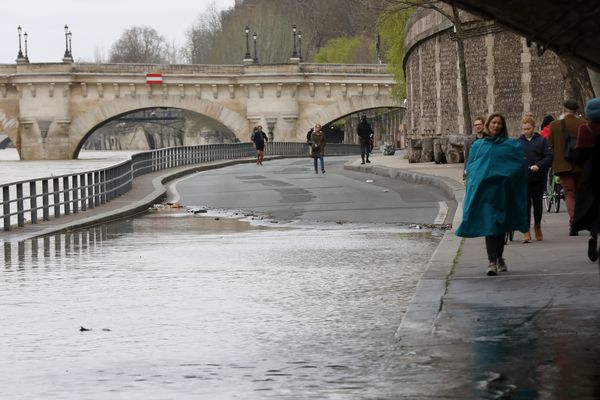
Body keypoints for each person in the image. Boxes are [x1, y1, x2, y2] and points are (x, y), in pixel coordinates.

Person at [456, 113, 528, 276]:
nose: (496, 126)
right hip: (485, 193)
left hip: (503, 192)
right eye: (493, 123)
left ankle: (500, 257)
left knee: (500, 226)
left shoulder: (510, 146)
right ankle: (491, 261)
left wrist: (507, 176)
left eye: (499, 124)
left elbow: (518, 166)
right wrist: (474, 181)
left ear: (503, 127)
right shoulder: (479, 145)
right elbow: (472, 167)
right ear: (488, 124)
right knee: (490, 225)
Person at [547, 99, 586, 235]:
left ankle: (573, 222)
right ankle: (583, 220)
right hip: (581, 165)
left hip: (563, 165)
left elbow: (550, 143)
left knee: (569, 194)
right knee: (581, 193)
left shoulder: (555, 125)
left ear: (564, 109)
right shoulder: (583, 123)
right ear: (576, 111)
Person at [517, 113, 553, 243]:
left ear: (534, 127)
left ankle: (537, 225)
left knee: (537, 205)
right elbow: (515, 158)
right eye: (524, 129)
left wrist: (539, 165)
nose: (526, 131)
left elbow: (549, 156)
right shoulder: (518, 143)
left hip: (538, 177)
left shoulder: (542, 141)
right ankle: (525, 230)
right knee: (525, 205)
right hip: (524, 178)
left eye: (529, 129)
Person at [572, 98, 600, 262]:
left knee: (592, 208)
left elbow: (579, 155)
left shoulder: (585, 129)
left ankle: (593, 236)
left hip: (590, 175)